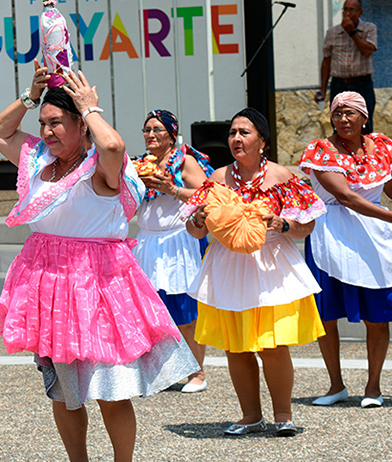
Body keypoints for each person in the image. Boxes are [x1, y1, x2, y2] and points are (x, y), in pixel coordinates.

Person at [0, 62, 198, 462]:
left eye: (56, 123)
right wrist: (30, 97)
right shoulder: (40, 163)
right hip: (49, 282)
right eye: (43, 123)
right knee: (64, 390)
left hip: (97, 282)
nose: (46, 132)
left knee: (109, 385)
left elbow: (115, 144)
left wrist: (91, 106)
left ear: (81, 126)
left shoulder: (101, 167)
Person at [182, 108, 327, 437]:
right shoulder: (218, 178)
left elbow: (307, 225)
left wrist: (284, 223)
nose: (235, 138)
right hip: (228, 264)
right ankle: (250, 415)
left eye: (244, 132)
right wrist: (199, 221)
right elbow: (194, 231)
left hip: (272, 265)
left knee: (273, 345)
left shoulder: (281, 176)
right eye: (232, 132)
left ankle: (283, 414)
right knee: (236, 346)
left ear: (262, 140)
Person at [299, 91, 392, 408]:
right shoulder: (321, 149)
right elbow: (346, 197)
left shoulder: (382, 146)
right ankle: (336, 385)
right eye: (337, 113)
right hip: (332, 236)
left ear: (365, 117)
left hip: (373, 237)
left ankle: (373, 388)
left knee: (378, 316)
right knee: (327, 315)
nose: (342, 119)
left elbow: (389, 188)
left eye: (350, 113)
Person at [133, 109, 214, 393]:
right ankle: (162, 371)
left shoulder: (184, 161)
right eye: (147, 130)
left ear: (171, 134)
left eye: (157, 129)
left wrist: (172, 189)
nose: (151, 135)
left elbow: (208, 192)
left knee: (185, 311)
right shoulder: (140, 164)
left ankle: (197, 372)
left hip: (178, 240)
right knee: (152, 311)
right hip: (148, 242)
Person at [318, 0, 377, 132]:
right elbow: (326, 61)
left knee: (364, 126)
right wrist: (323, 89)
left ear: (360, 12)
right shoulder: (333, 33)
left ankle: (364, 152)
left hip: (362, 84)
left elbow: (368, 51)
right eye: (345, 10)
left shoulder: (369, 29)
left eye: (352, 10)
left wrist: (352, 32)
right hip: (339, 84)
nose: (347, 14)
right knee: (339, 125)